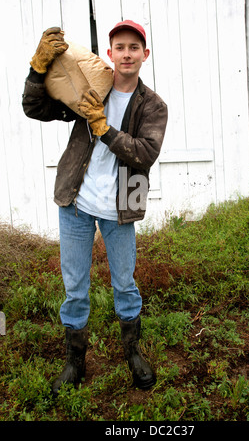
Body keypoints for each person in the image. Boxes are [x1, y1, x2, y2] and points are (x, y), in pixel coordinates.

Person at [22, 21, 168, 394]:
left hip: (123, 202)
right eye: (120, 47)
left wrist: (105, 129)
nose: (127, 54)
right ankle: (75, 363)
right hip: (77, 200)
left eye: (134, 47)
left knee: (125, 283)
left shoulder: (153, 105)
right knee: (74, 288)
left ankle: (133, 353)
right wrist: (37, 70)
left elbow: (146, 153)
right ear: (110, 54)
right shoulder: (92, 88)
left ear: (144, 55)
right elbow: (34, 107)